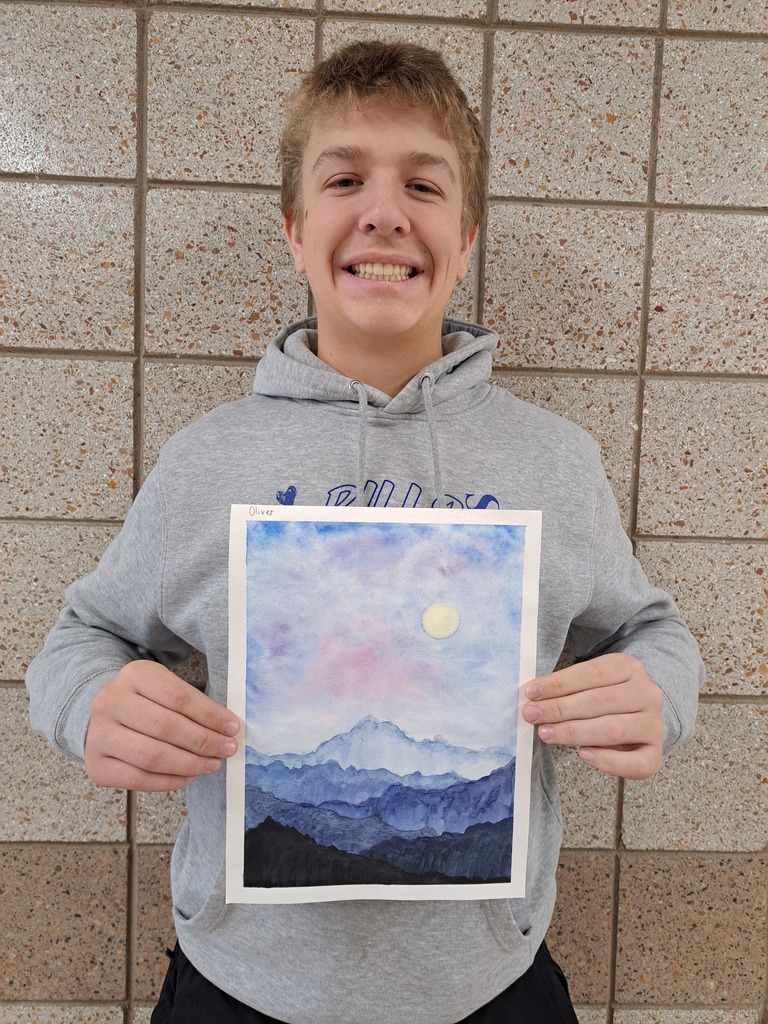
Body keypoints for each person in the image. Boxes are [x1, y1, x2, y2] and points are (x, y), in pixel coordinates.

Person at [26, 40, 703, 1024]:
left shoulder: (555, 462)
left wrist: (657, 692)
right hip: (239, 985)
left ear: (466, 238)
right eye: (344, 179)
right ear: (296, 231)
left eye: (423, 185)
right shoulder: (206, 460)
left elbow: (656, 632)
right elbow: (77, 639)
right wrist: (90, 704)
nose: (384, 211)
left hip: (491, 986)